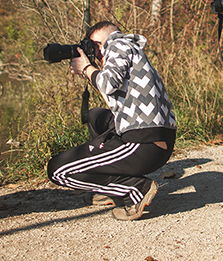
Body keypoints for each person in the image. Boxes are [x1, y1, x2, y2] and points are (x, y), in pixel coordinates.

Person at [47, 21, 176, 221]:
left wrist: (87, 69)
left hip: (143, 143)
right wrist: (92, 71)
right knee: (96, 116)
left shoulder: (117, 44)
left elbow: (107, 83)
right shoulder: (132, 53)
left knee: (58, 170)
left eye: (96, 46)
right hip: (153, 138)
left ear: (107, 38)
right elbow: (114, 107)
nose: (97, 51)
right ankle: (108, 187)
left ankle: (134, 190)